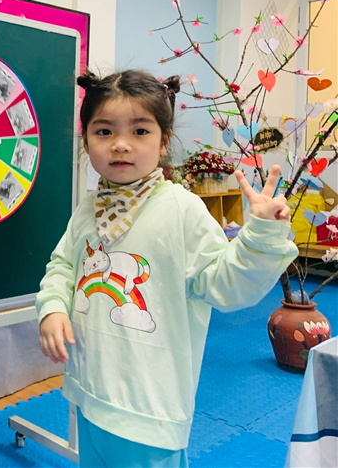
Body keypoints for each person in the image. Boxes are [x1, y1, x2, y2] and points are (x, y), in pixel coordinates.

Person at [36, 70, 298, 468]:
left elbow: (225, 284)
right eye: (104, 131)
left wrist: (260, 235)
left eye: (140, 131)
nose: (120, 144)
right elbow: (63, 265)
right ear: (86, 140)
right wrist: (53, 307)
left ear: (163, 141)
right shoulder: (89, 208)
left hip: (149, 410)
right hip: (90, 392)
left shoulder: (181, 208)